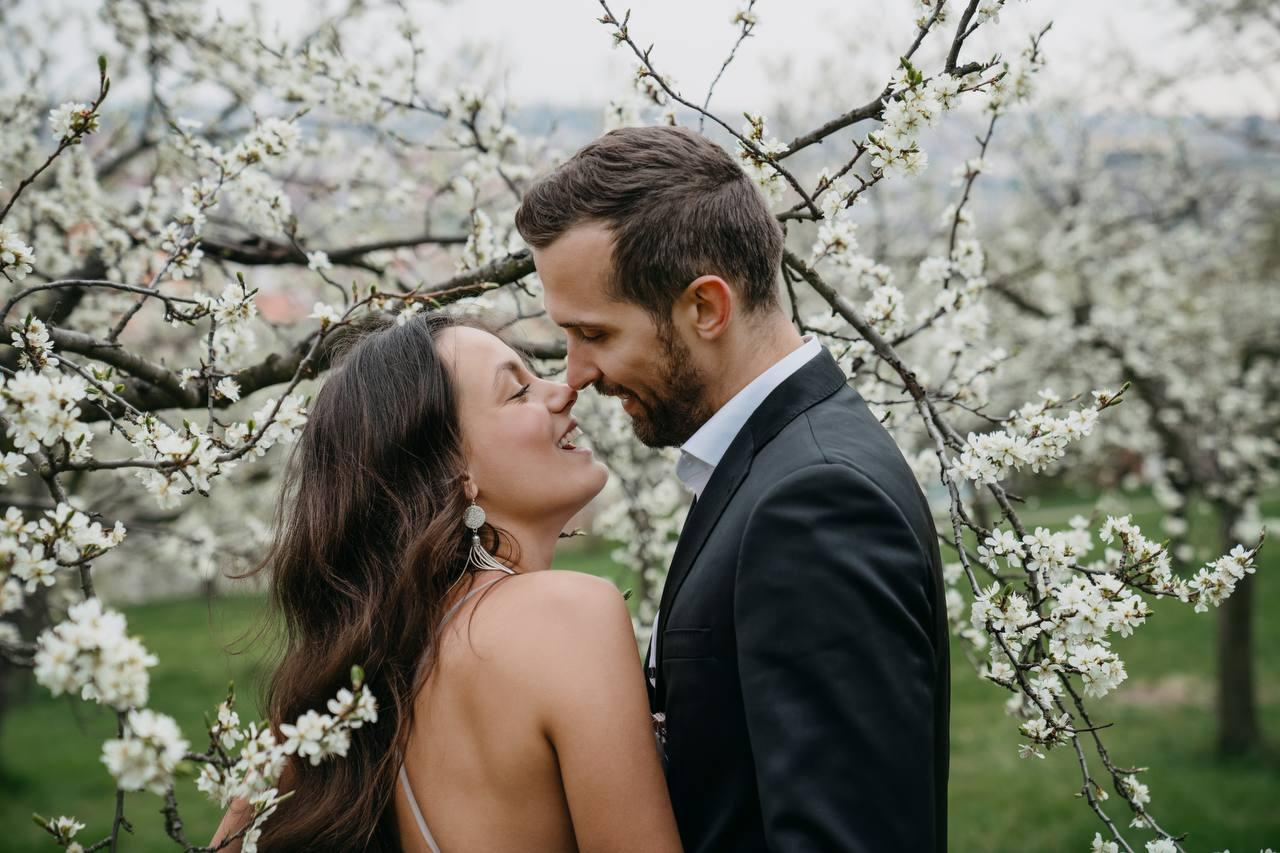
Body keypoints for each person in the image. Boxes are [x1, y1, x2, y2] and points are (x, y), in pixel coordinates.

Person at [516, 125, 951, 852]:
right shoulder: (776, 467)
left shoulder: (815, 503)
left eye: (594, 332)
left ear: (706, 309)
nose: (576, 372)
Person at [211, 313, 682, 852]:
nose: (564, 390)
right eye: (517, 392)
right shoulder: (565, 614)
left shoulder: (356, 683)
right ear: (455, 473)